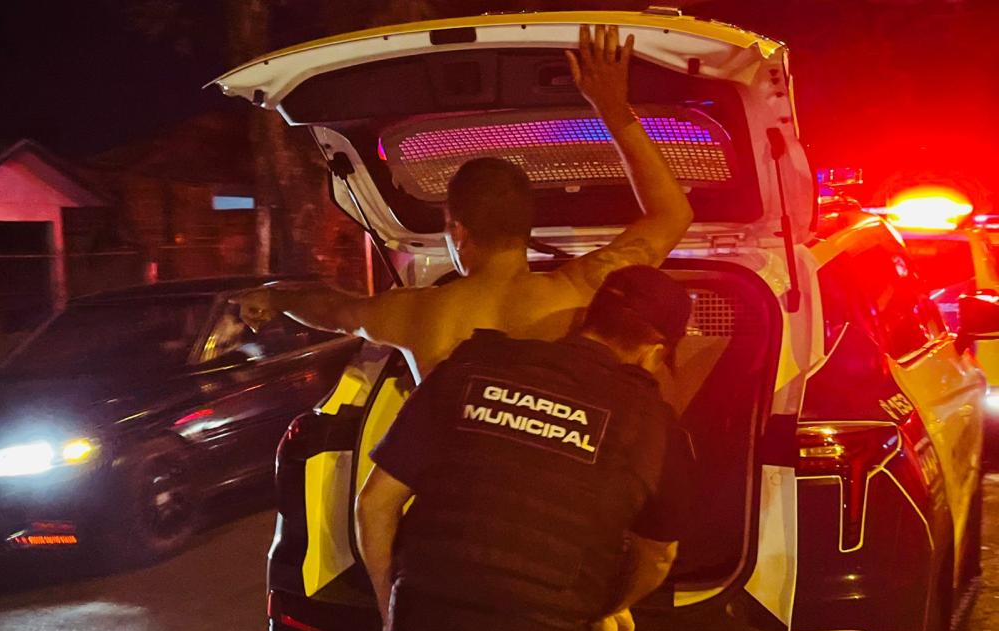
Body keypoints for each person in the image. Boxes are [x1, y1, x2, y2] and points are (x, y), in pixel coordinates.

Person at [231, 24, 693, 383]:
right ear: (524, 228)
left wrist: (275, 297)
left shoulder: (416, 313)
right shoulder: (582, 290)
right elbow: (673, 214)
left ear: (459, 231)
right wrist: (612, 107)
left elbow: (335, 311)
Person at [355, 265, 695, 631]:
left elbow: (374, 504)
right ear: (655, 351)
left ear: (587, 317)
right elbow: (658, 557)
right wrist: (609, 607)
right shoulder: (655, 426)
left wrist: (392, 613)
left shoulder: (471, 366)